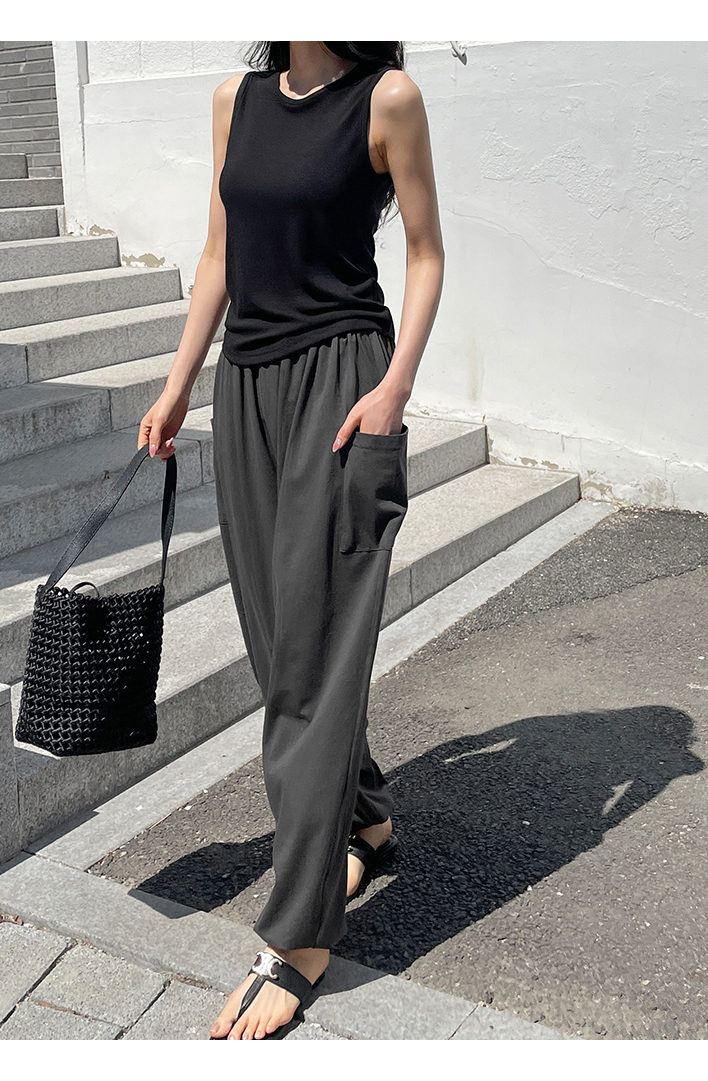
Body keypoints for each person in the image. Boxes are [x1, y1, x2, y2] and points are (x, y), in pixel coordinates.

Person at [137, 40, 444, 1040]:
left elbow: (427, 255)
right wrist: (179, 384)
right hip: (247, 387)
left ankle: (301, 934)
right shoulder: (236, 99)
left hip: (344, 387)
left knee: (312, 652)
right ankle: (366, 821)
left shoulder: (386, 99)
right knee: (280, 652)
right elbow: (219, 255)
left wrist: (394, 388)